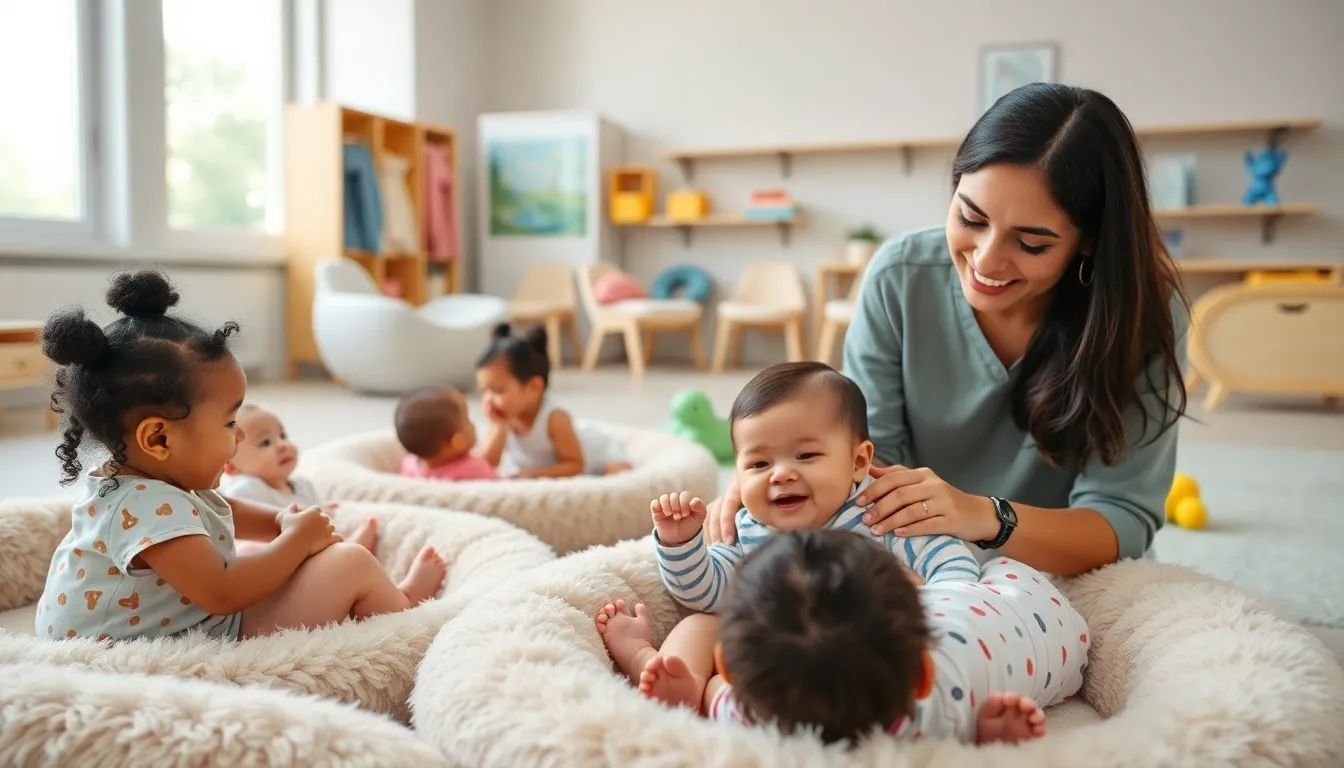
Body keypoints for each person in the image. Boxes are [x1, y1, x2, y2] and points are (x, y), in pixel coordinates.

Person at [704, 83, 1188, 577]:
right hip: (909, 560)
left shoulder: (1145, 316)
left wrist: (980, 515)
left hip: (1063, 575)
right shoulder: (900, 278)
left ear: (1088, 243)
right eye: (970, 218)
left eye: (1031, 243)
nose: (986, 260)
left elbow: (1121, 521)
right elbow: (864, 468)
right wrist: (777, 478)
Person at [35, 270, 447, 643]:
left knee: (263, 555)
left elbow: (217, 508)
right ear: (159, 438)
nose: (242, 432)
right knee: (351, 564)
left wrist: (278, 522)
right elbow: (224, 591)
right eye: (230, 423)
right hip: (183, 640)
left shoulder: (144, 483)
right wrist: (296, 541)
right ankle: (400, 607)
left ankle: (359, 582)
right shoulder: (147, 504)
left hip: (171, 622)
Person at [594, 362, 981, 711]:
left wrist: (921, 598)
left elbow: (954, 563)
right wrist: (681, 543)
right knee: (701, 623)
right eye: (759, 463)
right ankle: (664, 670)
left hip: (859, 649)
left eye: (806, 456)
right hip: (771, 651)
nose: (780, 474)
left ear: (859, 461)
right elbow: (705, 593)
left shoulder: (882, 514)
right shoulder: (751, 531)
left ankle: (713, 694)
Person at [601, 529, 1086, 746]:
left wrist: (705, 690)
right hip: (1034, 611)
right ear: (922, 675)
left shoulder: (747, 719)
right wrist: (978, 738)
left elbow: (719, 692)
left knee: (702, 621)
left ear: (728, 669)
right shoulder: (934, 721)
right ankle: (987, 738)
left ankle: (646, 657)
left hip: (1020, 619)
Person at [475, 323, 631, 478]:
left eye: (497, 391)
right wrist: (499, 429)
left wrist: (534, 474)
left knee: (618, 472)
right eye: (484, 391)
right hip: (545, 465)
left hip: (598, 454)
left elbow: (575, 465)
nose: (488, 399)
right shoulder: (502, 418)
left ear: (534, 387)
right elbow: (487, 464)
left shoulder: (554, 419)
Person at [395, 387, 499, 481]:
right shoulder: (477, 470)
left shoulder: (409, 464)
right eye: (467, 418)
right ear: (458, 442)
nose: (473, 423)